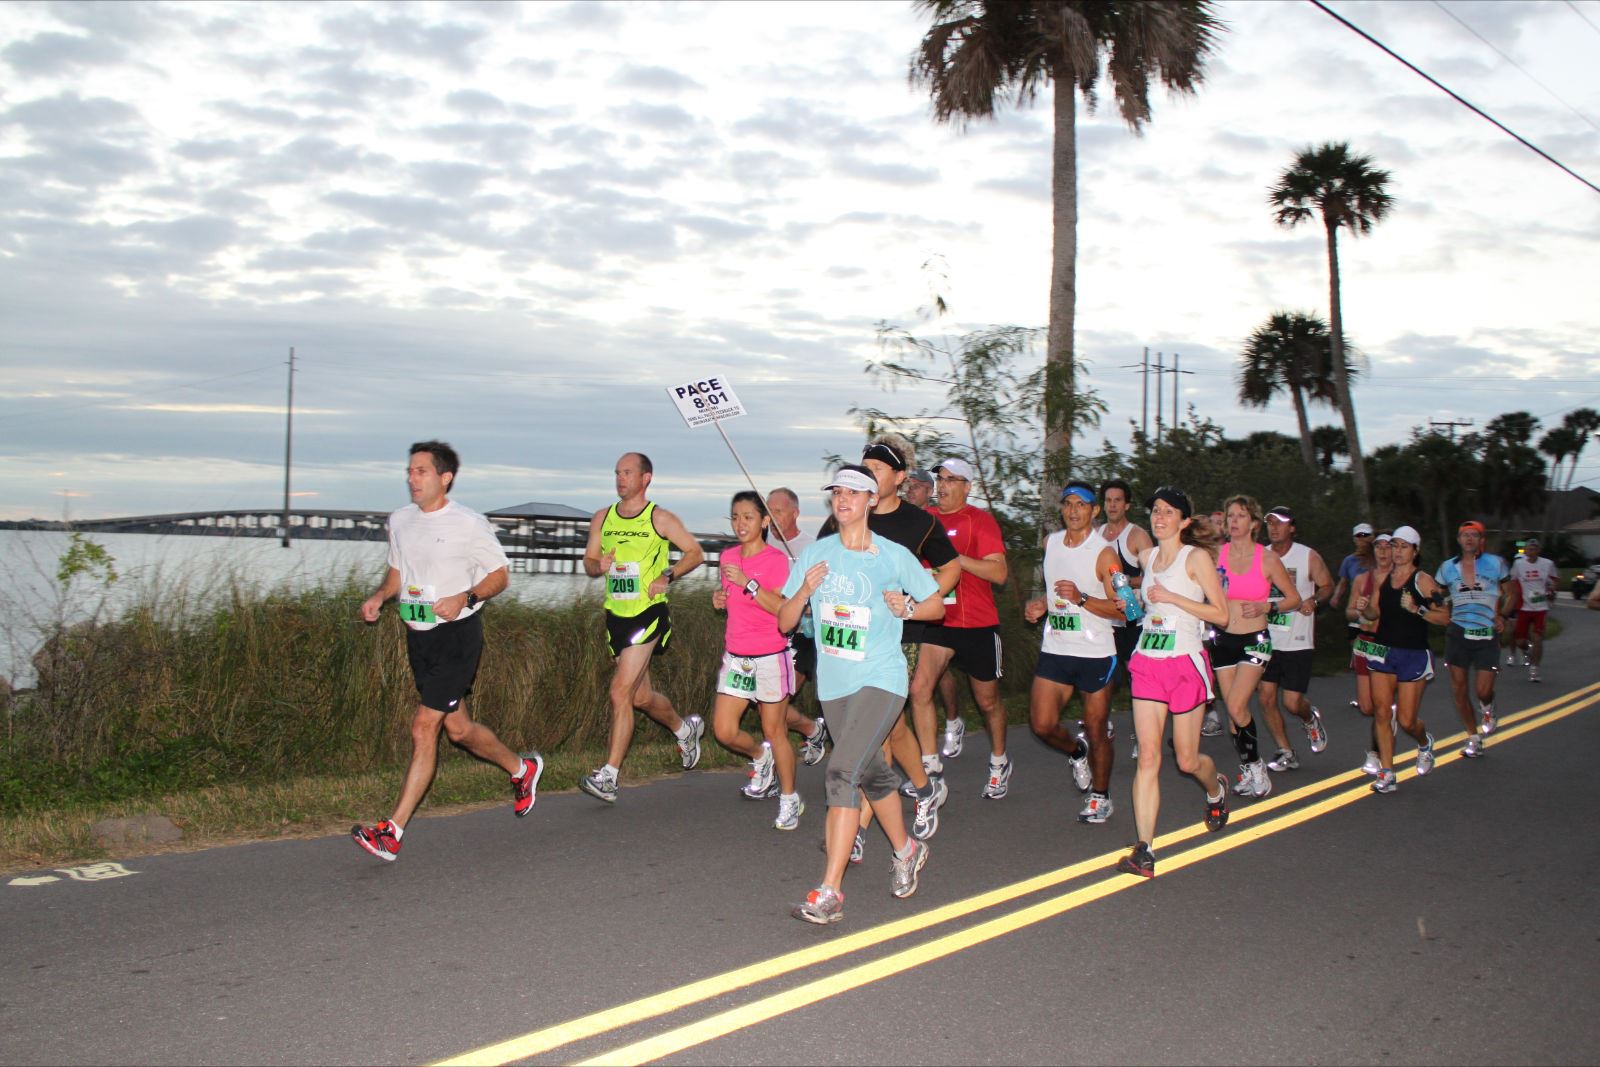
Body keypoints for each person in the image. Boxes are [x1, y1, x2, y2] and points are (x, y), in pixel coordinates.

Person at [352, 441, 542, 861]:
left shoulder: (469, 524)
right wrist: (381, 596)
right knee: (459, 730)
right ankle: (521, 769)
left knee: (424, 726)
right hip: (419, 637)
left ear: (445, 477)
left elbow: (500, 577)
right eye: (409, 471)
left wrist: (465, 596)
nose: (411, 478)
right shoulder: (400, 520)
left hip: (458, 634)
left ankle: (392, 830)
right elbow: (398, 570)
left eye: (420, 471)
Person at [780, 465, 944, 924]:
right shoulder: (816, 552)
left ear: (872, 500)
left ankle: (830, 891)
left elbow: (935, 604)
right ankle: (907, 849)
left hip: (881, 676)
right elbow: (784, 621)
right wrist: (804, 591)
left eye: (854, 492)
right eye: (837, 491)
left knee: (841, 771)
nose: (843, 499)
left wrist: (909, 607)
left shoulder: (892, 556)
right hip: (835, 685)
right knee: (871, 774)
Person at [819, 436, 959, 851]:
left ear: (899, 477)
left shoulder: (919, 522)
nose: (868, 476)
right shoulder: (849, 513)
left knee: (875, 733)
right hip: (850, 638)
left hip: (901, 631)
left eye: (877, 469)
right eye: (864, 467)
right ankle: (924, 787)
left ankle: (856, 828)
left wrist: (915, 602)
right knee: (892, 727)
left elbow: (950, 569)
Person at [577, 452, 706, 803]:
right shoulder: (601, 518)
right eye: (617, 472)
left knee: (619, 691)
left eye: (628, 472)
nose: (621, 478)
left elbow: (695, 552)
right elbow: (589, 562)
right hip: (615, 615)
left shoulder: (659, 518)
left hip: (648, 614)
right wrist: (597, 565)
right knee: (640, 696)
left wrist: (668, 575)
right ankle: (685, 729)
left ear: (646, 478)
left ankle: (609, 776)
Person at [1116, 487, 1231, 879]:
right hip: (1148, 660)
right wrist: (1131, 601)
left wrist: (1171, 597)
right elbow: (1140, 597)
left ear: (1184, 521)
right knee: (1148, 756)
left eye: (1169, 511)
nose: (1159, 516)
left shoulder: (1195, 557)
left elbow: (1221, 614)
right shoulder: (1147, 558)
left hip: (1185, 661)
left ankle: (1215, 788)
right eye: (1156, 511)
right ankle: (1144, 850)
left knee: (1186, 759)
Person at [910, 457, 1012, 799]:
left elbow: (998, 573)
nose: (943, 485)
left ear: (968, 486)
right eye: (940, 479)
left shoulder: (980, 521)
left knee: (987, 701)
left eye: (952, 479)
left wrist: (954, 558)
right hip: (939, 619)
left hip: (978, 623)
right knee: (920, 689)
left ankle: (999, 761)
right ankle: (929, 770)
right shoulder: (925, 521)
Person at [1024, 482, 1123, 823]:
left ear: (1095, 511)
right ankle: (1075, 751)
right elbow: (1056, 595)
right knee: (1041, 724)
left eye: (1082, 505)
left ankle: (1101, 795)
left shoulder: (1105, 553)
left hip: (1095, 652)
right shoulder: (1051, 544)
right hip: (1056, 648)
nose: (1074, 510)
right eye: (1068, 504)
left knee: (1097, 728)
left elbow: (1127, 610)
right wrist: (1042, 606)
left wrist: (1082, 598)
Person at [708, 492, 805, 830]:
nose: (740, 524)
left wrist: (747, 584)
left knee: (774, 729)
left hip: (769, 656)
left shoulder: (776, 560)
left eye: (748, 517)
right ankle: (760, 758)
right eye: (735, 517)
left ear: (765, 522)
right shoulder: (727, 557)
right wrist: (719, 598)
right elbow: (729, 599)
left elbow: (782, 608)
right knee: (723, 730)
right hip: (737, 657)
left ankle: (790, 799)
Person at [1214, 496, 1302, 799]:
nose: (1234, 521)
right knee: (1232, 714)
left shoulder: (1266, 559)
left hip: (1255, 639)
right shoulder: (1217, 555)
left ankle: (1257, 768)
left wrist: (1267, 605)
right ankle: (1249, 770)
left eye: (1240, 516)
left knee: (1238, 706)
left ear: (1253, 523)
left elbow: (1294, 599)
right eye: (1230, 516)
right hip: (1222, 639)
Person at [1353, 525, 1446, 794]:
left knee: (1406, 721)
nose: (1397, 551)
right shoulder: (1386, 580)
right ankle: (1387, 772)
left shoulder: (1423, 580)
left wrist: (1417, 610)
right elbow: (1373, 614)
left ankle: (1424, 741)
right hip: (1383, 651)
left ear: (1415, 551)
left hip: (1413, 654)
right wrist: (1365, 607)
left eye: (1404, 546)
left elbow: (1445, 616)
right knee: (1382, 713)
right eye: (1394, 545)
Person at [1258, 505, 1334, 771]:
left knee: (1291, 702)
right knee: (1266, 697)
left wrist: (1313, 599)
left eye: (1280, 523)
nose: (1274, 527)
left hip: (1297, 638)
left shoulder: (1307, 556)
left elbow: (1327, 585)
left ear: (1292, 527)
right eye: (1270, 523)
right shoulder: (1260, 555)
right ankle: (1285, 751)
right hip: (1266, 638)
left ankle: (1309, 717)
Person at [765, 487, 829, 766]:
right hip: (766, 633)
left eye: (777, 511)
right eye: (768, 511)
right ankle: (812, 730)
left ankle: (767, 765)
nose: (772, 517)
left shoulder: (811, 548)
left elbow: (822, 593)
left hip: (803, 634)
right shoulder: (761, 544)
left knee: (776, 701)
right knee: (767, 702)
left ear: (795, 513)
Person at [1435, 520, 1511, 753]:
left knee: (1482, 690)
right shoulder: (1447, 567)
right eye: (1464, 535)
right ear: (1459, 540)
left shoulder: (1496, 564)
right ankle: (1473, 737)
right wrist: (1441, 608)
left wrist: (1503, 616)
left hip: (1486, 634)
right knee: (1459, 689)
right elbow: (1436, 593)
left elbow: (1512, 594)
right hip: (1458, 633)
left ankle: (1487, 706)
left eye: (1473, 535)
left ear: (1481, 540)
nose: (1469, 539)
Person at [1098, 479, 1153, 722]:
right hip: (1105, 618)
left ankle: (1142, 730)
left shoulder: (1138, 536)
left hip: (1133, 617)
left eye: (1117, 500)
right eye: (1108, 500)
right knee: (1103, 672)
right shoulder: (1096, 535)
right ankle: (1101, 721)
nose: (1112, 505)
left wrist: (1125, 582)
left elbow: (1153, 576)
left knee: (1137, 677)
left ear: (1127, 505)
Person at [1347, 532, 1395, 775]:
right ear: (1373, 551)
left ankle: (1377, 754)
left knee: (1381, 706)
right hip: (1365, 644)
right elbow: (1349, 613)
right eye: (1379, 547)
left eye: (1389, 547)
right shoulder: (1362, 579)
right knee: (1367, 707)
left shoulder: (1400, 581)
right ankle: (1388, 718)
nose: (1384, 551)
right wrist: (1357, 611)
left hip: (1389, 646)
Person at [1509, 537, 1559, 682]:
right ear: (1525, 550)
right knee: (1520, 642)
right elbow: (1512, 582)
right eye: (1529, 549)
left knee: (1537, 638)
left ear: (1539, 550)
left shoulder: (1547, 564)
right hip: (1524, 607)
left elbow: (1555, 580)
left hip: (1541, 608)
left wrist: (1552, 590)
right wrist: (1513, 598)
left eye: (1535, 549)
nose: (1532, 551)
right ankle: (1529, 652)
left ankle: (1534, 670)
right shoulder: (1518, 564)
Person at [1330, 522, 1377, 624]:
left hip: (1376, 605)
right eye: (1359, 535)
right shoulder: (1349, 561)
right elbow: (1343, 582)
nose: (1362, 538)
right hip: (1356, 606)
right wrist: (1336, 597)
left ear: (1372, 538)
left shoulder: (1380, 557)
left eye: (1366, 535)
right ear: (1354, 539)